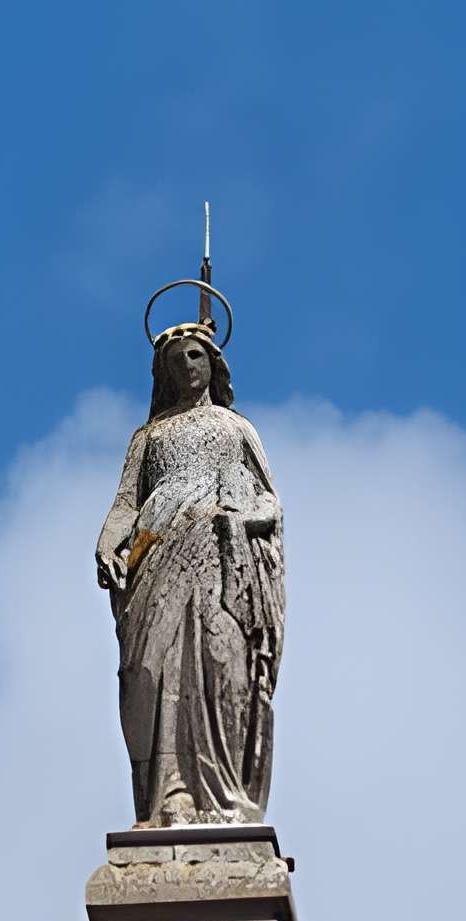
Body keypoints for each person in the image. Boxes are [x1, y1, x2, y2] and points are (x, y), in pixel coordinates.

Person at [95, 326, 284, 826]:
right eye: (176, 360)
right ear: (163, 372)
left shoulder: (235, 428)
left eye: (195, 355)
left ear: (213, 363)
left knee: (222, 665)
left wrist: (242, 519)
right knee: (151, 671)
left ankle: (221, 792)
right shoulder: (148, 436)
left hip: (220, 562)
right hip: (155, 556)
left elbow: (270, 500)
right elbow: (125, 504)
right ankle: (169, 793)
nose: (187, 366)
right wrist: (106, 544)